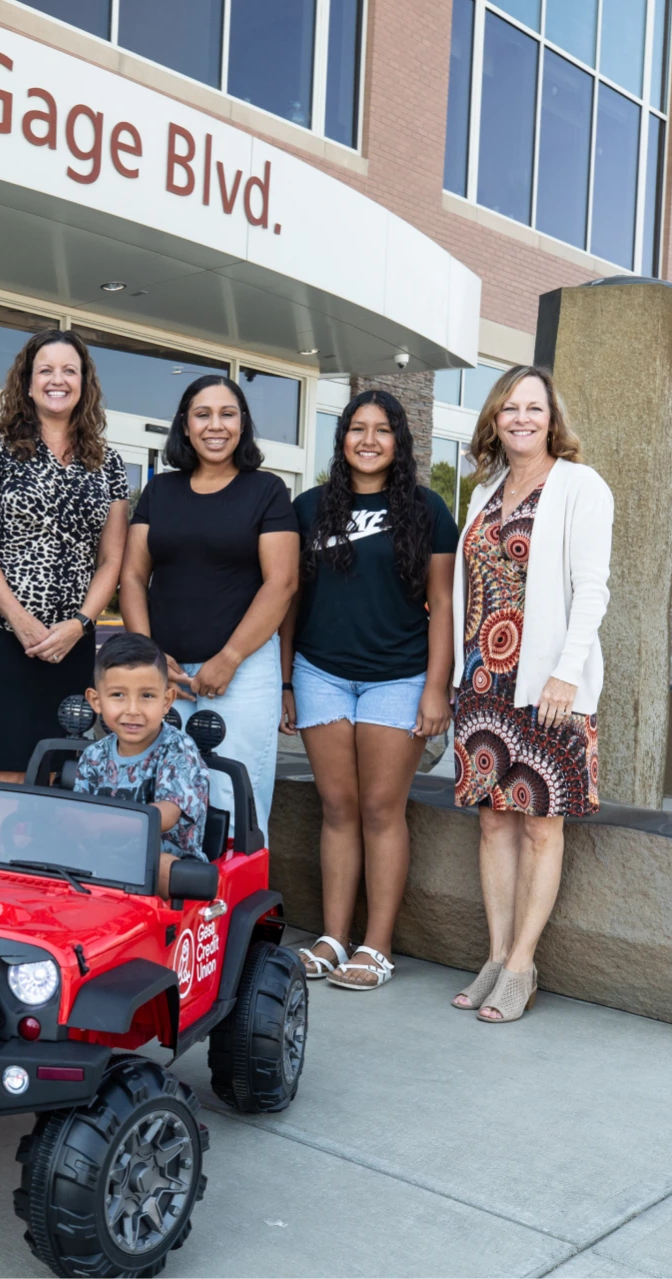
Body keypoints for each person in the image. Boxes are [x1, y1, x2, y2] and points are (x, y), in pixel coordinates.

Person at [447, 365, 612, 1024]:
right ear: (494, 418)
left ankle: (522, 964)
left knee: (542, 826)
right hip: (484, 679)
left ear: (552, 418)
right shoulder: (483, 490)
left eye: (533, 407)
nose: (521, 417)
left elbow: (592, 587)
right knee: (493, 820)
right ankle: (495, 954)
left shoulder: (579, 485)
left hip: (547, 681)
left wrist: (566, 673)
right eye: (509, 406)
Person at [277, 390, 457, 991]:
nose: (369, 439)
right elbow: (289, 602)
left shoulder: (428, 510)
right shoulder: (309, 509)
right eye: (358, 428)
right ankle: (332, 936)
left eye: (382, 430)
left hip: (398, 677)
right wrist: (285, 681)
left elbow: (443, 607)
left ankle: (376, 945)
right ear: (343, 437)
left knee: (381, 809)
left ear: (398, 441)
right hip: (320, 673)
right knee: (337, 808)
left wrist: (437, 688)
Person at [119, 374, 297, 829]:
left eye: (227, 414)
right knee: (157, 795)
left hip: (243, 672)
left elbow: (282, 583)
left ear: (242, 424)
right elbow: (133, 576)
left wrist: (230, 658)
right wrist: (150, 655)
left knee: (233, 803)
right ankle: (169, 899)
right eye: (203, 414)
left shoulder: (267, 491)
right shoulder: (160, 491)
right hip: (166, 673)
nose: (214, 426)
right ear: (184, 424)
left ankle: (231, 901)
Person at [0, 329, 128, 782]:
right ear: (27, 383)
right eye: (45, 370)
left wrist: (81, 624)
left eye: (69, 370)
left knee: (60, 769)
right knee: (8, 770)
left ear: (84, 383)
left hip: (70, 641)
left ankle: (43, 857)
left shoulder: (108, 464)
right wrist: (21, 619)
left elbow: (112, 559)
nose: (58, 379)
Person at [74, 631, 210, 885]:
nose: (133, 710)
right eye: (118, 695)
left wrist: (99, 822)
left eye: (147, 696)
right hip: (102, 857)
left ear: (167, 700)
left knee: (164, 869)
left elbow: (167, 814)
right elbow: (81, 811)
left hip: (165, 863)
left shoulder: (178, 748)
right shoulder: (93, 755)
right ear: (96, 700)